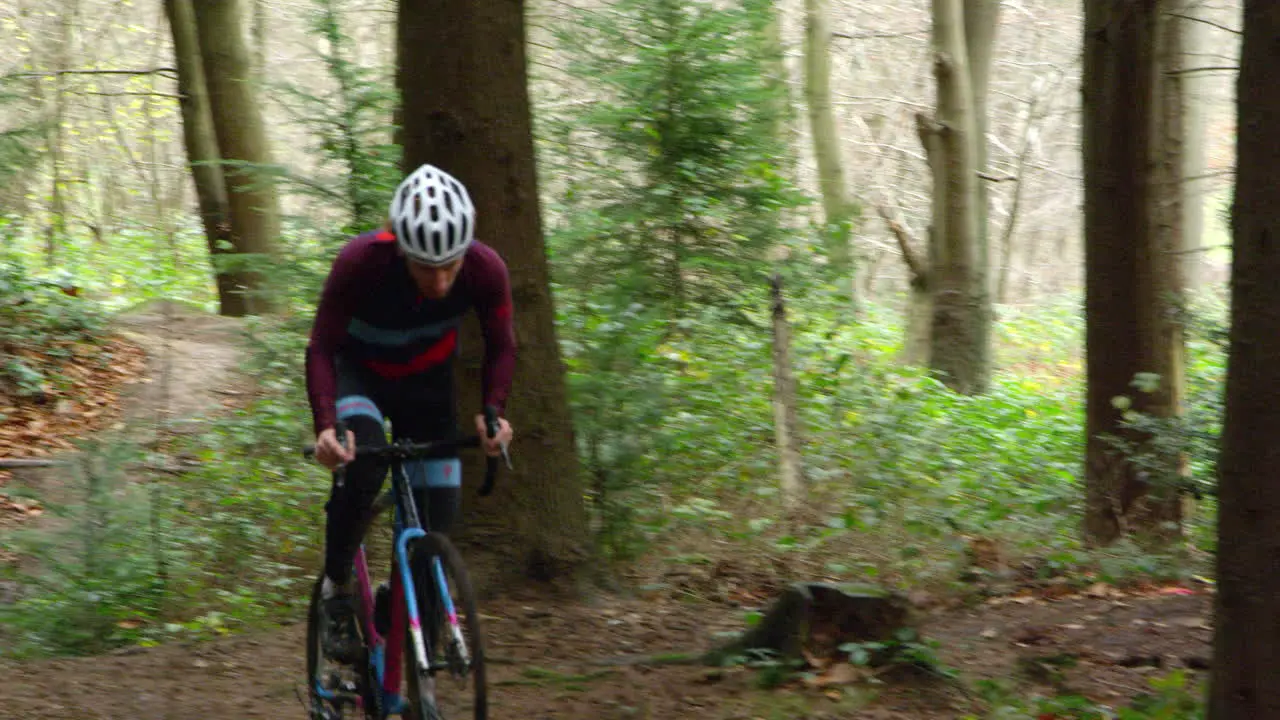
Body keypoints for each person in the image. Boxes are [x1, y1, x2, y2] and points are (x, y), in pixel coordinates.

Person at [305, 163, 515, 662]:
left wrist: (493, 412)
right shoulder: (361, 261)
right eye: (426, 267)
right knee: (365, 462)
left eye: (451, 265)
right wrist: (326, 428)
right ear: (401, 246)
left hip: (426, 386)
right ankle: (337, 588)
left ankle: (402, 614)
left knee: (438, 516)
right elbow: (319, 348)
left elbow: (501, 345)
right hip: (361, 375)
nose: (441, 281)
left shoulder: (486, 269)